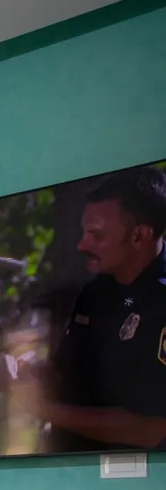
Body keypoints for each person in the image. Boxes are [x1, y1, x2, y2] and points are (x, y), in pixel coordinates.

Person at [42, 167, 166, 450]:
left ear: (139, 236)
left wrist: (44, 410)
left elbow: (151, 430)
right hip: (67, 468)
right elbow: (67, 371)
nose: (82, 245)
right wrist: (23, 376)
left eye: (97, 235)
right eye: (84, 232)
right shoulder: (96, 291)